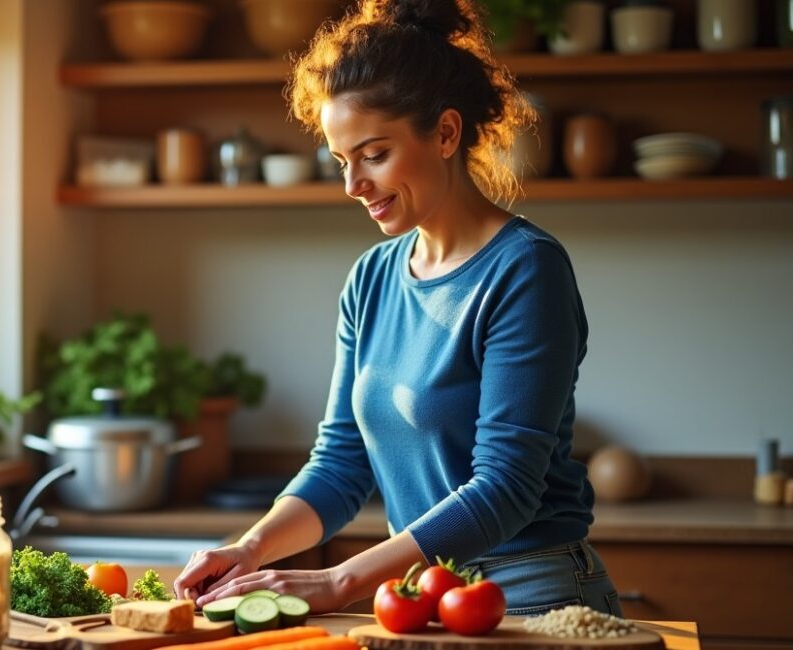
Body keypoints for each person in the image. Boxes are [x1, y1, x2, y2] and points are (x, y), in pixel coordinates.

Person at [173, 0, 621, 618]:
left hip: (530, 592)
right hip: (419, 597)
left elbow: (506, 489)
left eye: (374, 154)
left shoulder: (525, 269)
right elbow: (341, 464)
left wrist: (337, 582)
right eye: (342, 161)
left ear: (445, 134)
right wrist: (249, 549)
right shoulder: (372, 278)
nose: (352, 185)